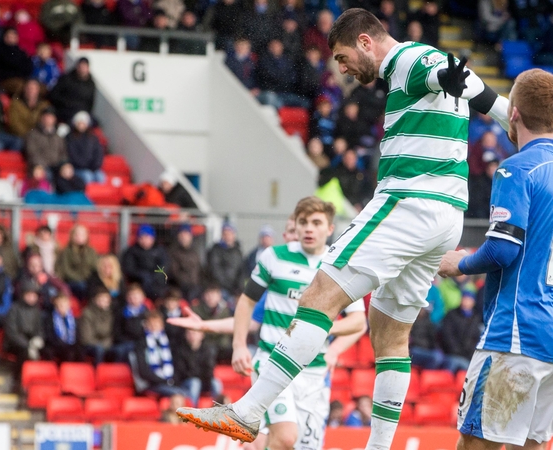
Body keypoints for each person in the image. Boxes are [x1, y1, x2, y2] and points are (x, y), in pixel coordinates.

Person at [176, 8, 510, 447]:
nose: (342, 67)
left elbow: (448, 73)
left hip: (408, 205)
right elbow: (450, 76)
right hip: (446, 218)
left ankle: (247, 411)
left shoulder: (408, 59)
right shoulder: (410, 72)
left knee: (317, 296)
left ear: (366, 42)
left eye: (342, 55)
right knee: (390, 333)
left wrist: (509, 117)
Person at [172, 198, 367, 450]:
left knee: (291, 445)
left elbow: (358, 321)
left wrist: (325, 337)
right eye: (303, 223)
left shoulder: (340, 265)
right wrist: (238, 345)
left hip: (314, 373)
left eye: (316, 223)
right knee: (285, 437)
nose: (308, 229)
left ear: (330, 229)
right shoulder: (273, 258)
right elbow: (247, 307)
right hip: (271, 362)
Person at [438, 74, 553, 450]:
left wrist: (461, 263)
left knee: (477, 444)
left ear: (513, 114)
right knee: (531, 445)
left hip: (515, 332)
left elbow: (503, 250)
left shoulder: (516, 168)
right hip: (550, 342)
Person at [131, 310, 191, 398]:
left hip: (171, 382)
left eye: (157, 323)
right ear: (146, 325)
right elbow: (143, 370)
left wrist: (172, 380)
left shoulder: (170, 342)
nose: (154, 326)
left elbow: (178, 364)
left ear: (162, 325)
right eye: (151, 324)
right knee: (181, 395)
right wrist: (163, 380)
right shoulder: (141, 344)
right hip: (152, 384)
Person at [4, 282, 45, 373]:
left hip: (31, 340)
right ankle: (18, 380)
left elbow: (40, 329)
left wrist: (38, 340)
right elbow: (11, 332)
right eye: (29, 295)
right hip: (15, 343)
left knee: (47, 351)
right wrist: (27, 345)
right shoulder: (14, 309)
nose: (31, 298)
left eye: (34, 295)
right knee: (24, 352)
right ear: (23, 295)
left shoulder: (37, 311)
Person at [175, 329, 222, 407]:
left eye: (194, 333)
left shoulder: (208, 350)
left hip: (204, 381)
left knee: (216, 383)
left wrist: (199, 375)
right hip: (186, 382)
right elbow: (182, 372)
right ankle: (193, 411)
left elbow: (209, 370)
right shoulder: (180, 350)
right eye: (189, 333)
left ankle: (219, 409)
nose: (192, 336)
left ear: (201, 335)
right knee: (195, 383)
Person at [121, 225, 169, 300]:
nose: (144, 240)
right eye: (141, 237)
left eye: (147, 237)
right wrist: (142, 275)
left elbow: (164, 266)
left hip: (157, 284)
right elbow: (129, 269)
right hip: (138, 284)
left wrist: (154, 275)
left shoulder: (160, 251)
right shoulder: (131, 251)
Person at [438, 291, 481, 373]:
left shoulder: (476, 318)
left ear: (473, 302)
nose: (466, 302)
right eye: (464, 299)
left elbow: (476, 339)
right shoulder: (451, 315)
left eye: (469, 300)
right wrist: (457, 351)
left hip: (468, 356)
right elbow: (448, 337)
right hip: (452, 354)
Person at [55, 224, 98, 300]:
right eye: (77, 234)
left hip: (88, 281)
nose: (79, 237)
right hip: (71, 281)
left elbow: (94, 268)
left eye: (82, 234)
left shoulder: (91, 251)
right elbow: (65, 270)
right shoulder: (66, 251)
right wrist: (80, 278)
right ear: (72, 236)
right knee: (82, 287)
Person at [48, 57, 96, 124]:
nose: (82, 69)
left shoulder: (91, 84)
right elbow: (54, 95)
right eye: (80, 66)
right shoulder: (66, 79)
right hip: (65, 112)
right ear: (77, 67)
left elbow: (90, 103)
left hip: (82, 113)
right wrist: (67, 103)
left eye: (84, 66)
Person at [206, 222, 245, 301]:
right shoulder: (215, 250)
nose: (227, 236)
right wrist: (227, 285)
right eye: (225, 233)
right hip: (221, 289)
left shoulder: (238, 251)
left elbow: (241, 270)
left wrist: (239, 288)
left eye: (230, 233)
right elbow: (215, 269)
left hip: (234, 291)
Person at [113, 283, 149, 362]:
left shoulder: (148, 313)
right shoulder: (121, 312)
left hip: (143, 343)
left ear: (142, 297)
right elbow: (117, 332)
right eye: (131, 296)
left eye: (136, 296)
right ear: (127, 298)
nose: (133, 298)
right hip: (126, 343)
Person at [66, 111, 105, 184]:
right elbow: (72, 155)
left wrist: (95, 165)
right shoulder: (70, 138)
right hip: (78, 168)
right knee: (87, 176)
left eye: (83, 122)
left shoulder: (93, 138)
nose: (81, 125)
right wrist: (84, 166)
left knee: (101, 177)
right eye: (79, 122)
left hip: (92, 168)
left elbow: (98, 152)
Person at [167, 224, 203, 301]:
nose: (184, 236)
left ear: (191, 236)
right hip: (180, 287)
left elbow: (199, 271)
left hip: (195, 287)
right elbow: (174, 272)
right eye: (181, 234)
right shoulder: (173, 251)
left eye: (186, 234)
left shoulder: (196, 251)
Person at [79, 288, 114, 364]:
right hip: (90, 345)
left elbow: (112, 335)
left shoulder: (111, 314)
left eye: (106, 300)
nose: (103, 302)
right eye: (101, 299)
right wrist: (102, 344)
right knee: (99, 349)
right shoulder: (87, 313)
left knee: (121, 350)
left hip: (107, 344)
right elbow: (86, 338)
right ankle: (98, 372)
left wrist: (105, 344)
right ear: (94, 300)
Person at [43, 294, 81, 362]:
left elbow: (77, 335)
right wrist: (61, 343)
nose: (62, 307)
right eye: (60, 305)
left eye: (64, 305)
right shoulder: (50, 319)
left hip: (70, 345)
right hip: (55, 345)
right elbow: (49, 336)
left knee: (78, 351)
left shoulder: (74, 320)